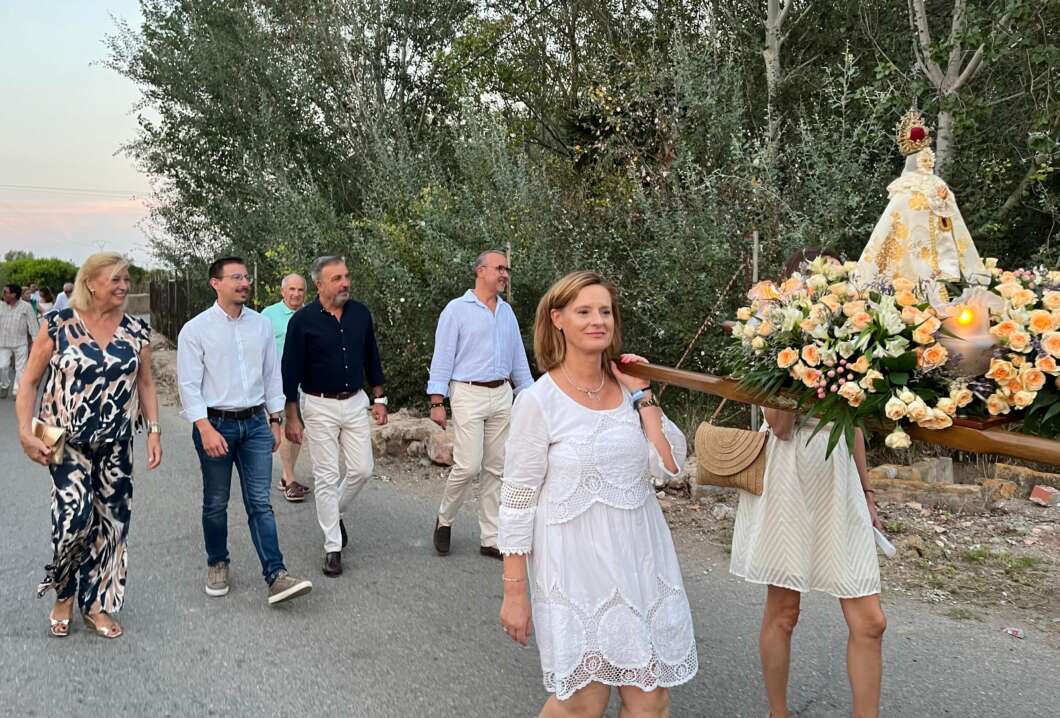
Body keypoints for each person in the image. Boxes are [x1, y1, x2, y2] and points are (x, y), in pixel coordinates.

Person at [499, 271, 697, 716]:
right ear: (558, 320)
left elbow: (668, 465)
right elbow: (517, 501)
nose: (597, 321)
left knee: (650, 700)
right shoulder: (538, 401)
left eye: (604, 311)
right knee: (583, 702)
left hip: (640, 559)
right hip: (573, 567)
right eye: (584, 311)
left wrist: (643, 395)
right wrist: (515, 593)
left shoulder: (629, 391)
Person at [730, 252, 886, 718]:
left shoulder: (856, 339)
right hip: (789, 472)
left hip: (837, 475)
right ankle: (778, 714)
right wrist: (798, 351)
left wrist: (868, 492)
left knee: (871, 621)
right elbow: (778, 424)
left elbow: (852, 421)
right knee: (785, 612)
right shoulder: (772, 335)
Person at [16, 252, 162, 639]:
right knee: (73, 520)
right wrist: (24, 431)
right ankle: (64, 591)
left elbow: (146, 383)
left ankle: (97, 604)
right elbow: (29, 382)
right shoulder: (58, 325)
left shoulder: (136, 330)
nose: (123, 286)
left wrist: (154, 431)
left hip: (116, 443)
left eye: (126, 280)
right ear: (91, 283)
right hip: (63, 441)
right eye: (115, 279)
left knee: (112, 525)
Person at [177, 256, 313, 605]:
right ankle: (217, 562)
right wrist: (204, 428)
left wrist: (274, 419)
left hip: (255, 424)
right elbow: (189, 385)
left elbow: (271, 375)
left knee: (260, 503)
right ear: (215, 283)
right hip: (215, 424)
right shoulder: (195, 329)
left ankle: (276, 575)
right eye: (235, 277)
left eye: (245, 277)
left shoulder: (261, 325)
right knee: (215, 502)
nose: (243, 283)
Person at [282, 256, 388, 578]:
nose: (345, 283)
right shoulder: (302, 321)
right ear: (320, 284)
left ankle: (333, 511)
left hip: (355, 401)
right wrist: (291, 416)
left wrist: (380, 397)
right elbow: (290, 371)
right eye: (337, 278)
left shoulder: (360, 314)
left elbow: (372, 356)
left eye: (347, 276)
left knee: (362, 469)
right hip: (318, 404)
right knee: (326, 476)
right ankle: (332, 546)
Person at [428, 249, 533, 559]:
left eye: (507, 269)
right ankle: (445, 519)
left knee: (496, 468)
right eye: (499, 268)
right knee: (468, 465)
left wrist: (532, 398)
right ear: (480, 271)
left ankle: (491, 537)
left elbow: (519, 362)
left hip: (502, 394)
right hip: (467, 393)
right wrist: (437, 400)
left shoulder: (507, 313)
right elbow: (443, 356)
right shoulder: (456, 310)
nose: (504, 274)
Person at [261, 273, 308, 502]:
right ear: (282, 291)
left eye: (300, 290)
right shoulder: (269, 315)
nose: (296, 294)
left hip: (305, 384)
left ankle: (286, 476)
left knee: (298, 430)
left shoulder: (312, 315)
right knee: (286, 428)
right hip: (278, 383)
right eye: (291, 289)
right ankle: (289, 480)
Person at [0, 284, 40, 398]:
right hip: (3, 342)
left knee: (20, 369)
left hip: (20, 342)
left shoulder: (26, 307)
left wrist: (35, 343)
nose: (3, 294)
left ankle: (17, 391)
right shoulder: (1, 305)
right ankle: (4, 385)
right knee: (2, 366)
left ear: (13, 295)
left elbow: (33, 325)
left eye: (6, 292)